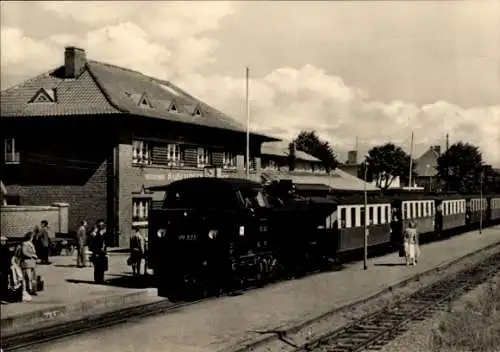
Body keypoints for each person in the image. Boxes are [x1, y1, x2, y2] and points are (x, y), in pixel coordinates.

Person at [20, 232, 38, 296]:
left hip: (31, 263)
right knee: (28, 277)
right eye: (32, 236)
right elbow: (24, 252)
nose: (33, 238)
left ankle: (32, 289)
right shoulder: (25, 244)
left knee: (32, 277)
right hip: (27, 263)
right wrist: (32, 256)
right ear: (30, 237)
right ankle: (28, 290)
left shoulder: (30, 243)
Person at [0, 236, 12, 301]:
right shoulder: (3, 249)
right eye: (2, 241)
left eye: (5, 241)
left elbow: (8, 258)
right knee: (3, 283)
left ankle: (4, 298)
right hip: (2, 268)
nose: (4, 242)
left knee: (5, 283)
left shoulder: (6, 248)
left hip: (5, 268)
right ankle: (2, 298)